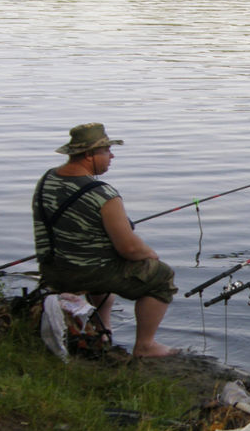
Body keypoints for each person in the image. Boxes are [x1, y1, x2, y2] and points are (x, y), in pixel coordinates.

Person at [32, 123, 178, 358]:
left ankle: (102, 331)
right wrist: (150, 254)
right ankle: (145, 346)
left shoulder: (47, 179)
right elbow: (129, 248)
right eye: (106, 151)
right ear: (89, 155)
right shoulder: (103, 194)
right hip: (85, 272)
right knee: (161, 276)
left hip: (52, 270)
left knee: (104, 259)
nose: (111, 155)